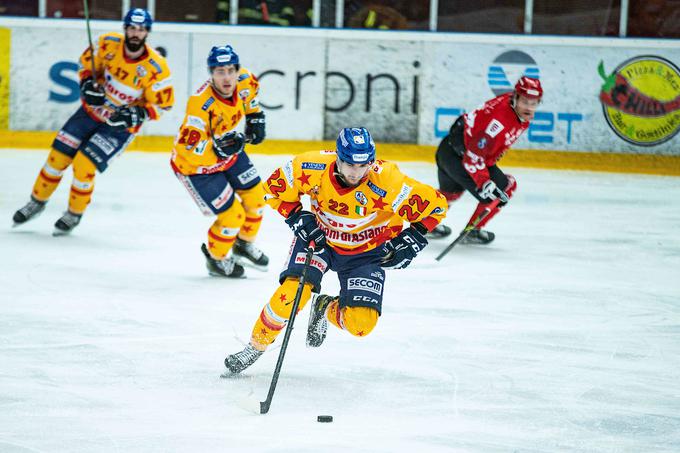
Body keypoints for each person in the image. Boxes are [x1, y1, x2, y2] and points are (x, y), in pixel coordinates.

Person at [223, 127, 448, 374]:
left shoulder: (389, 181)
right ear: (338, 158)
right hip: (320, 242)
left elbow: (436, 207)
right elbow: (273, 191)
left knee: (361, 324)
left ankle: (325, 308)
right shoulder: (310, 167)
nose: (356, 172)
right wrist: (297, 217)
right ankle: (255, 347)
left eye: (363, 165)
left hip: (368, 253)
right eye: (349, 164)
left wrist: (412, 239)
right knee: (290, 296)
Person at [12, 8, 174, 235]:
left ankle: (74, 213)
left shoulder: (156, 67)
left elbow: (163, 105)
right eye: (132, 28)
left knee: (83, 165)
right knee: (56, 159)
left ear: (147, 32)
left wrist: (137, 114)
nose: (136, 33)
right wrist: (87, 84)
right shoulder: (107, 43)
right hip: (90, 113)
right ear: (125, 28)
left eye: (141, 29)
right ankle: (36, 202)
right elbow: (85, 65)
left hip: (118, 127)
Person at [171, 44, 268, 278]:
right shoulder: (200, 105)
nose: (226, 77)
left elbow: (250, 101)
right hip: (196, 167)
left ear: (238, 70)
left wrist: (255, 116)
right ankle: (217, 259)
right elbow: (187, 149)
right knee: (232, 216)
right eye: (219, 71)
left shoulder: (246, 81)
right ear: (211, 73)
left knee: (257, 199)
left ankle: (243, 244)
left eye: (230, 70)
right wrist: (218, 149)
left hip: (228, 153)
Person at [430, 76, 543, 244]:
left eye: (534, 103)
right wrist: (484, 182)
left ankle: (424, 225)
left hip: (449, 150)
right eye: (525, 101)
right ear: (516, 97)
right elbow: (472, 158)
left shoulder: (512, 107)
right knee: (504, 188)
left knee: (449, 193)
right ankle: (471, 232)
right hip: (464, 158)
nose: (529, 107)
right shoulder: (498, 121)